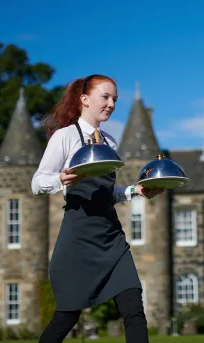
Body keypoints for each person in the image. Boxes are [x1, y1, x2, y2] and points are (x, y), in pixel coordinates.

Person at [31, 74, 163, 343]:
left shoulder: (111, 143)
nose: (111, 103)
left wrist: (134, 191)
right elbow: (36, 183)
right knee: (67, 316)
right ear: (85, 99)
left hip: (111, 237)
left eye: (115, 98)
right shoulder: (65, 137)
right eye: (105, 97)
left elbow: (105, 192)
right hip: (77, 237)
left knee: (133, 307)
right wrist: (59, 179)